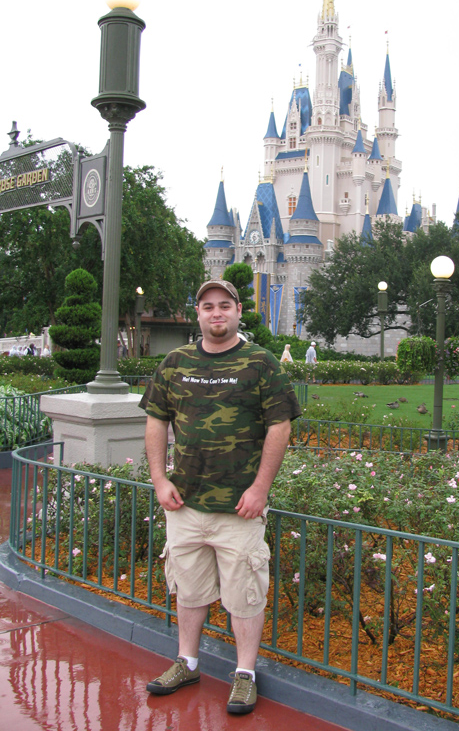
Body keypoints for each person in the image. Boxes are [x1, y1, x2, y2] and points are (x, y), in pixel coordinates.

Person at [139, 279, 301, 715]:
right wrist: (159, 480)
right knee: (188, 590)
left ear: (237, 312)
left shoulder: (261, 363)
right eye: (208, 306)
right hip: (185, 505)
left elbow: (280, 426)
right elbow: (156, 421)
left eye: (224, 306)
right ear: (198, 314)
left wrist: (260, 489)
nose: (216, 313)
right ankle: (187, 662)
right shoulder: (175, 363)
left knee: (245, 594)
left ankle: (244, 674)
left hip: (239, 508)